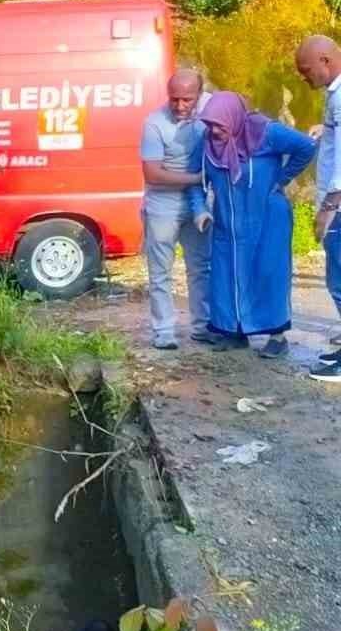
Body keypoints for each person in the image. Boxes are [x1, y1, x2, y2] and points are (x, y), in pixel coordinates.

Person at [196, 91, 317, 358]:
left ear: (233, 118)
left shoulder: (265, 132)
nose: (214, 130)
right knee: (227, 276)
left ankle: (277, 338)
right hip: (228, 222)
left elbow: (306, 147)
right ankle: (235, 332)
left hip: (267, 218)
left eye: (219, 124)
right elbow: (197, 181)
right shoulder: (207, 143)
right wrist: (199, 209)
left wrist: (283, 178)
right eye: (210, 124)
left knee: (269, 273)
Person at [139, 69, 212, 351]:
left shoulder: (211, 110)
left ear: (199, 95)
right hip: (162, 204)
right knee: (160, 271)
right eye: (174, 99)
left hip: (198, 203)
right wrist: (196, 179)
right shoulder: (154, 123)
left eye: (187, 99)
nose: (180, 106)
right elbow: (152, 174)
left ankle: (202, 326)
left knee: (201, 267)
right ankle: (164, 331)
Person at [294, 34, 341, 382]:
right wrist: (326, 130)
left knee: (339, 281)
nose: (303, 77)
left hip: (339, 205)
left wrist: (328, 206)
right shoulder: (334, 94)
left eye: (306, 69)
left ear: (325, 61)